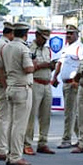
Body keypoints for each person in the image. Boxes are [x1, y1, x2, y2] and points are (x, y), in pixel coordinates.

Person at [0, 22, 35, 165]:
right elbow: (28, 68)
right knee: (20, 125)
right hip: (22, 88)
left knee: (11, 123)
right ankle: (15, 155)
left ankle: (9, 153)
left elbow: (0, 68)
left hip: (11, 86)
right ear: (25, 34)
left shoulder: (6, 47)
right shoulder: (23, 49)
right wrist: (35, 64)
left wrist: (6, 84)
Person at [24, 25, 58, 155]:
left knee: (46, 116)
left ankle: (43, 142)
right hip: (35, 83)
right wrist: (45, 65)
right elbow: (29, 67)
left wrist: (51, 66)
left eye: (46, 39)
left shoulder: (47, 50)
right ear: (37, 35)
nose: (45, 41)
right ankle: (27, 142)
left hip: (46, 84)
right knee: (31, 116)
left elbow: (48, 66)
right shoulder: (29, 48)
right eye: (43, 38)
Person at [54, 25, 83, 149]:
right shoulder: (67, 47)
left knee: (69, 113)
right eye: (67, 33)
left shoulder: (79, 47)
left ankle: (66, 139)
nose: (68, 35)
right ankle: (82, 137)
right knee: (71, 113)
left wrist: (78, 79)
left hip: (73, 83)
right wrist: (55, 76)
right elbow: (60, 63)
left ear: (77, 34)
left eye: (71, 33)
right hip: (65, 82)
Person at [0, 22, 16, 160]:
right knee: (4, 118)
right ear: (11, 33)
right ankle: (2, 148)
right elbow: (3, 67)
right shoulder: (6, 46)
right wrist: (7, 85)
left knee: (0, 117)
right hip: (3, 82)